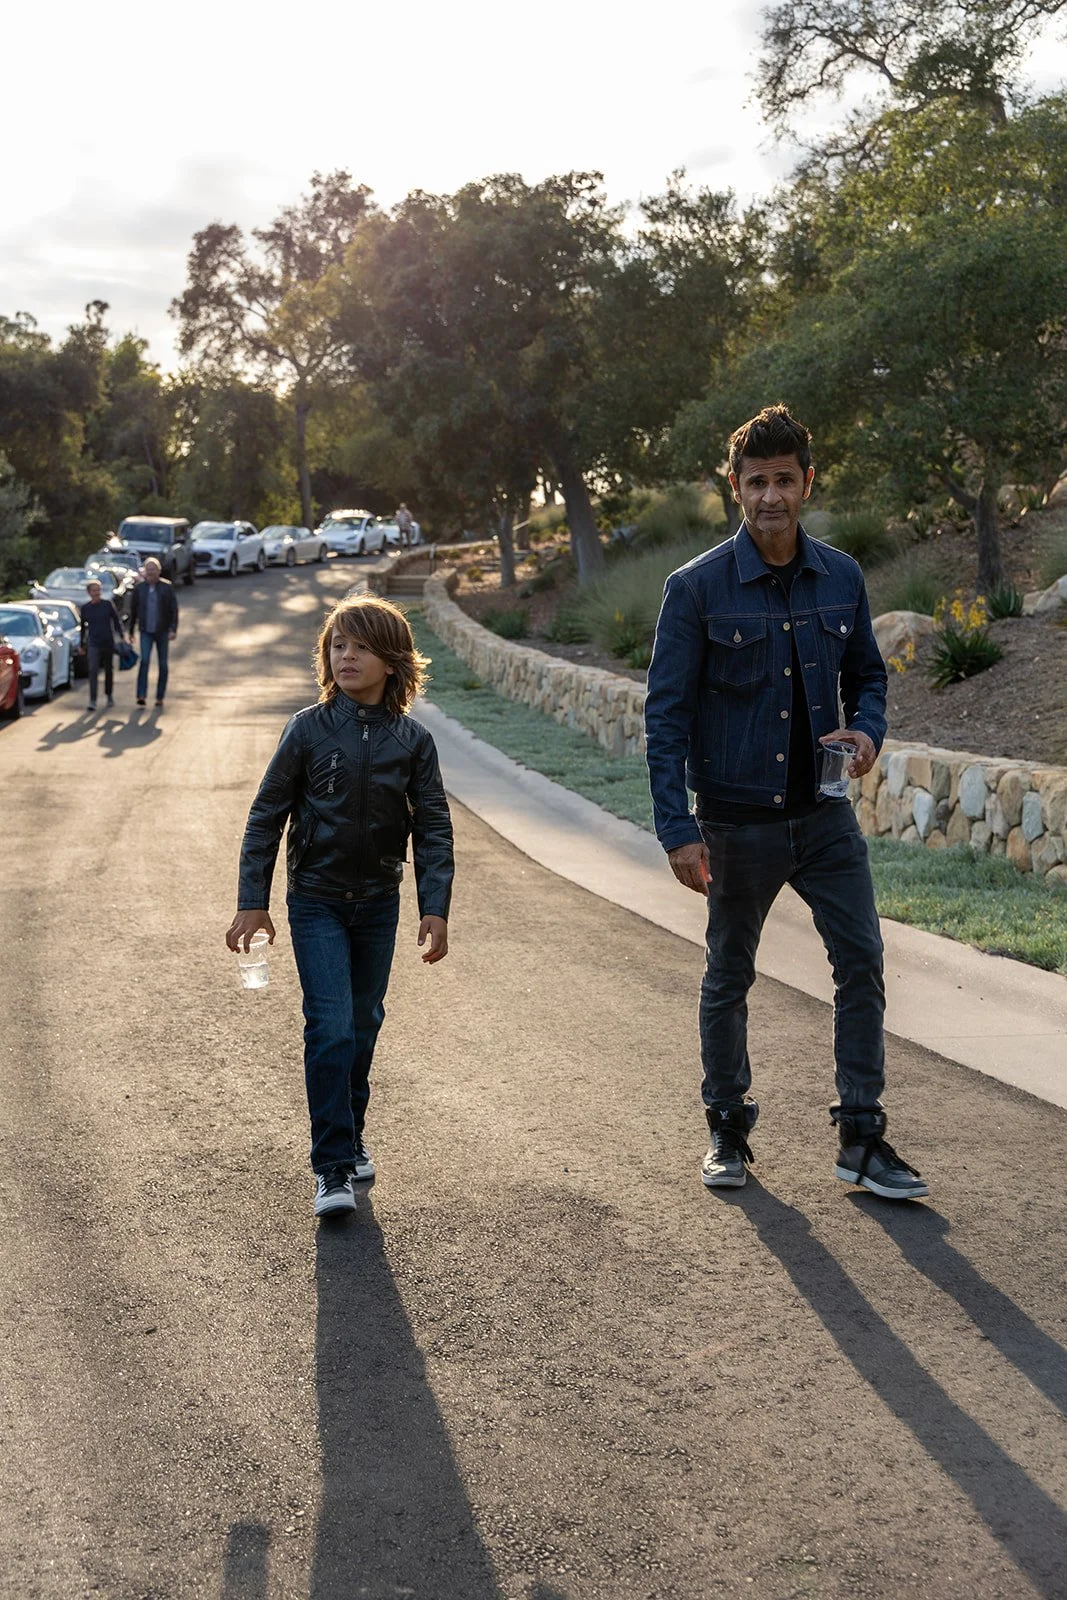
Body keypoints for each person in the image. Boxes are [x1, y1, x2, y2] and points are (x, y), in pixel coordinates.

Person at [644, 404, 927, 1201]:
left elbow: (867, 674)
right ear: (734, 489)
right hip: (735, 822)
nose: (769, 496)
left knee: (861, 961)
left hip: (824, 815)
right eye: (754, 482)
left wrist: (866, 731)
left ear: (806, 482)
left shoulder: (841, 576)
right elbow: (664, 717)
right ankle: (726, 1127)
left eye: (782, 480)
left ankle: (861, 1137)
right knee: (729, 972)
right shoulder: (694, 588)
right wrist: (676, 830)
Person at [225, 595, 455, 1219]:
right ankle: (331, 1167)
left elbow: (433, 828)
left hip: (378, 903)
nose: (346, 656)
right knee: (330, 1026)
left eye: (361, 647)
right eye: (337, 645)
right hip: (316, 902)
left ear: (392, 661)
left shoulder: (413, 741)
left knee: (363, 1022)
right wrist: (253, 902)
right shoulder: (307, 729)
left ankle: (350, 1135)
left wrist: (434, 906)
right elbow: (266, 816)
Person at [127, 557, 178, 708]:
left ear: (159, 571)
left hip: (162, 631)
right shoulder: (139, 589)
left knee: (163, 664)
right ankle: (141, 695)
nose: (151, 572)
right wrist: (131, 631)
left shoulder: (167, 587)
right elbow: (133, 611)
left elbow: (174, 610)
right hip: (146, 631)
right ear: (144, 572)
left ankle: (160, 697)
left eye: (153, 570)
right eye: (148, 570)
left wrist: (173, 629)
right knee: (144, 661)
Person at [79, 578, 128, 711]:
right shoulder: (86, 608)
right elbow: (83, 628)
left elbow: (116, 621)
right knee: (93, 670)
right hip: (93, 643)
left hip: (107, 641)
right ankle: (93, 700)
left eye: (98, 590)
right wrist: (82, 645)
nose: (97, 593)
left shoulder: (107, 605)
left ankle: (109, 695)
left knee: (108, 669)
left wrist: (122, 635)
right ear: (89, 593)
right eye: (94, 591)